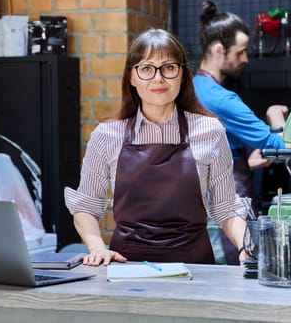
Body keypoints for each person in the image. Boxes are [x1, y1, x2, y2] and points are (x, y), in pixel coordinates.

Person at [64, 28, 251, 266]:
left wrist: (246, 245)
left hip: (195, 267)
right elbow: (86, 207)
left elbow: (226, 208)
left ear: (183, 74)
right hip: (125, 267)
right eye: (146, 69)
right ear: (131, 77)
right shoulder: (107, 135)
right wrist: (98, 248)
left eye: (169, 68)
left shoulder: (210, 131)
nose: (158, 78)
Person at [193, 0, 288, 265]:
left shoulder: (193, 89)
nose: (246, 59)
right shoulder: (220, 99)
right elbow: (278, 144)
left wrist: (245, 160)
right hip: (229, 201)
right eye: (241, 52)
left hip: (205, 202)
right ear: (219, 50)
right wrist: (274, 115)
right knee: (239, 269)